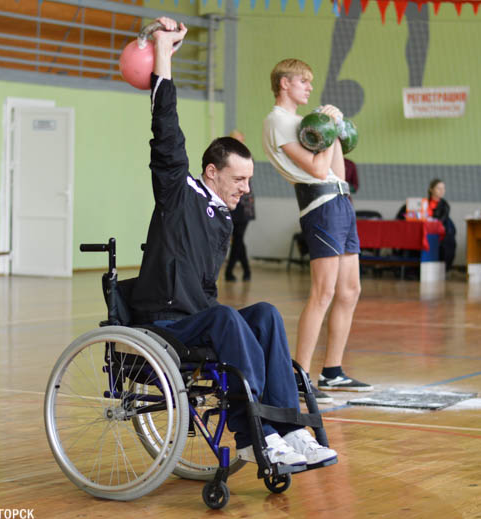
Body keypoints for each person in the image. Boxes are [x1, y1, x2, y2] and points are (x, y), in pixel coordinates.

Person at [129, 18, 336, 467]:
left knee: (264, 314)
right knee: (224, 317)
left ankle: (288, 427)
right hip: (164, 323)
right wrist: (164, 51)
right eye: (238, 179)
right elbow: (165, 127)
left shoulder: (222, 215)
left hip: (197, 318)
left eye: (249, 180)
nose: (245, 188)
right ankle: (252, 433)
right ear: (210, 173)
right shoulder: (176, 193)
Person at [262, 58, 372, 405]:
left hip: (341, 202)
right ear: (284, 84)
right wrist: (324, 128)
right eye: (303, 82)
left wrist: (334, 128)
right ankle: (300, 376)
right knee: (323, 293)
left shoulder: (303, 122)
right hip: (320, 207)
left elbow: (336, 170)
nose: (309, 88)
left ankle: (333, 371)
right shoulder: (277, 121)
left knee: (350, 290)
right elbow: (316, 168)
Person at [225, 129, 255, 282]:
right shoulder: (227, 159)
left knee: (237, 238)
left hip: (244, 206)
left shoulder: (247, 159)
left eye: (240, 139)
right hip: (232, 204)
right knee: (237, 239)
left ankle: (229, 271)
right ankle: (246, 270)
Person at [424, 178, 456, 270]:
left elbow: (440, 221)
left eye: (443, 188)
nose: (442, 191)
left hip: (438, 232)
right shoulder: (423, 203)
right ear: (431, 189)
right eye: (439, 188)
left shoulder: (445, 206)